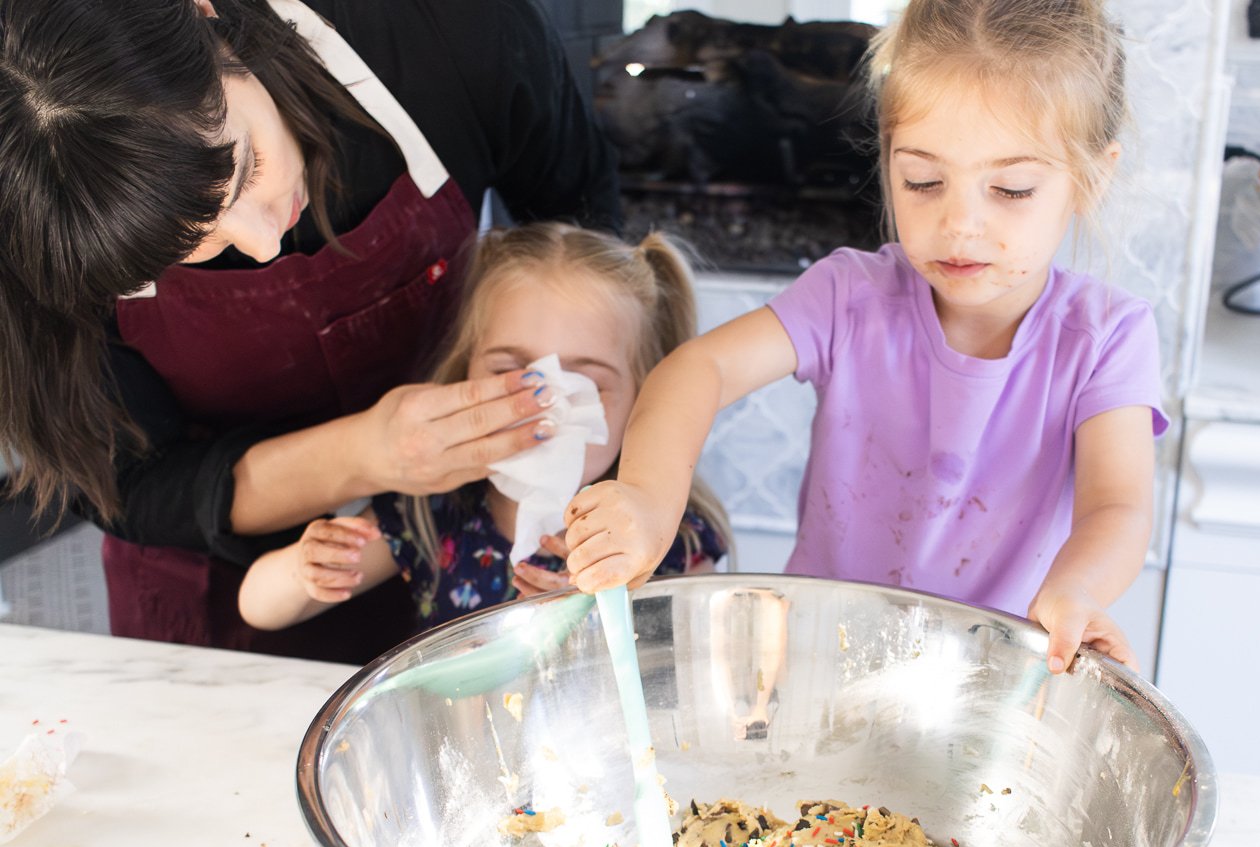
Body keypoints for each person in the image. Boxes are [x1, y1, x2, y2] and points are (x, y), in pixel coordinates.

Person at [0, 0, 620, 662]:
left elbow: (594, 254)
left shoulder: (448, 27)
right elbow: (122, 477)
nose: (263, 243)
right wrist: (364, 453)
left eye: (245, 169)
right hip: (219, 600)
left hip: (467, 547)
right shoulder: (35, 209)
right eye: (182, 249)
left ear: (203, 15)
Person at [562, 0, 1167, 675]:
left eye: (1011, 188)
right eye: (924, 181)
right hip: (814, 672)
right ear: (887, 158)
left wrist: (1075, 589)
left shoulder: (1107, 338)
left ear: (1092, 176)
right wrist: (648, 499)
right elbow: (696, 370)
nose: (960, 222)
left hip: (990, 687)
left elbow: (1117, 507)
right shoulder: (850, 297)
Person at [238, 223, 730, 632]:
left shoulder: (667, 531)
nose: (541, 410)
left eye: (580, 385)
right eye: (506, 374)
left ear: (645, 403)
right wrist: (305, 568)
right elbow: (257, 606)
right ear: (465, 376)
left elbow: (697, 660)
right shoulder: (432, 510)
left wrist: (590, 618)